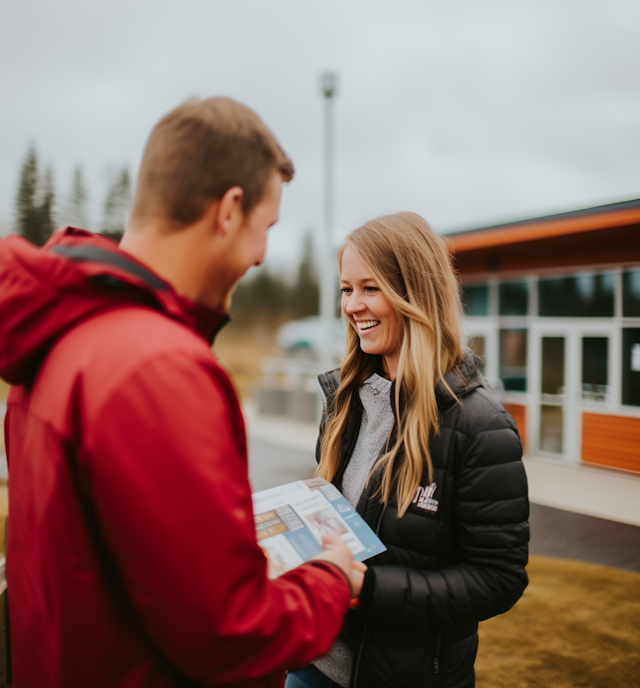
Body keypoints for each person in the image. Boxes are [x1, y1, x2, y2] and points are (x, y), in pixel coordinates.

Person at [0, 97, 359, 688]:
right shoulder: (160, 368)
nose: (262, 256)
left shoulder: (60, 336)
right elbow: (228, 634)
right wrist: (329, 580)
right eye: (264, 229)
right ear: (229, 210)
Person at [286, 212, 529, 688]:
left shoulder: (479, 426)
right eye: (345, 289)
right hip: (314, 666)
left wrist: (368, 588)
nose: (353, 305)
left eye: (370, 288)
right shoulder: (344, 402)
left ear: (415, 293)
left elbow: (497, 579)